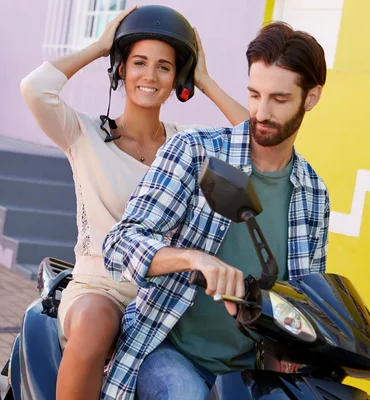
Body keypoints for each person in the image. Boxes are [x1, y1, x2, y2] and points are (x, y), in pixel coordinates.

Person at [20, 5, 248, 400]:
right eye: (139, 62)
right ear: (120, 69)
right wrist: (99, 47)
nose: (150, 75)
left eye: (164, 66)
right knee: (93, 326)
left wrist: (205, 80)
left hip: (167, 295)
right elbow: (35, 88)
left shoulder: (187, 145)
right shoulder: (84, 132)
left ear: (178, 77)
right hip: (100, 287)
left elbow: (254, 142)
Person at [102, 21, 331, 400]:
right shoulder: (194, 151)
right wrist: (195, 260)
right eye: (254, 94)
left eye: (279, 99)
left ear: (311, 98)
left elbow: (304, 299)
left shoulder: (313, 193)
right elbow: (121, 243)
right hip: (167, 348)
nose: (260, 111)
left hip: (248, 370)